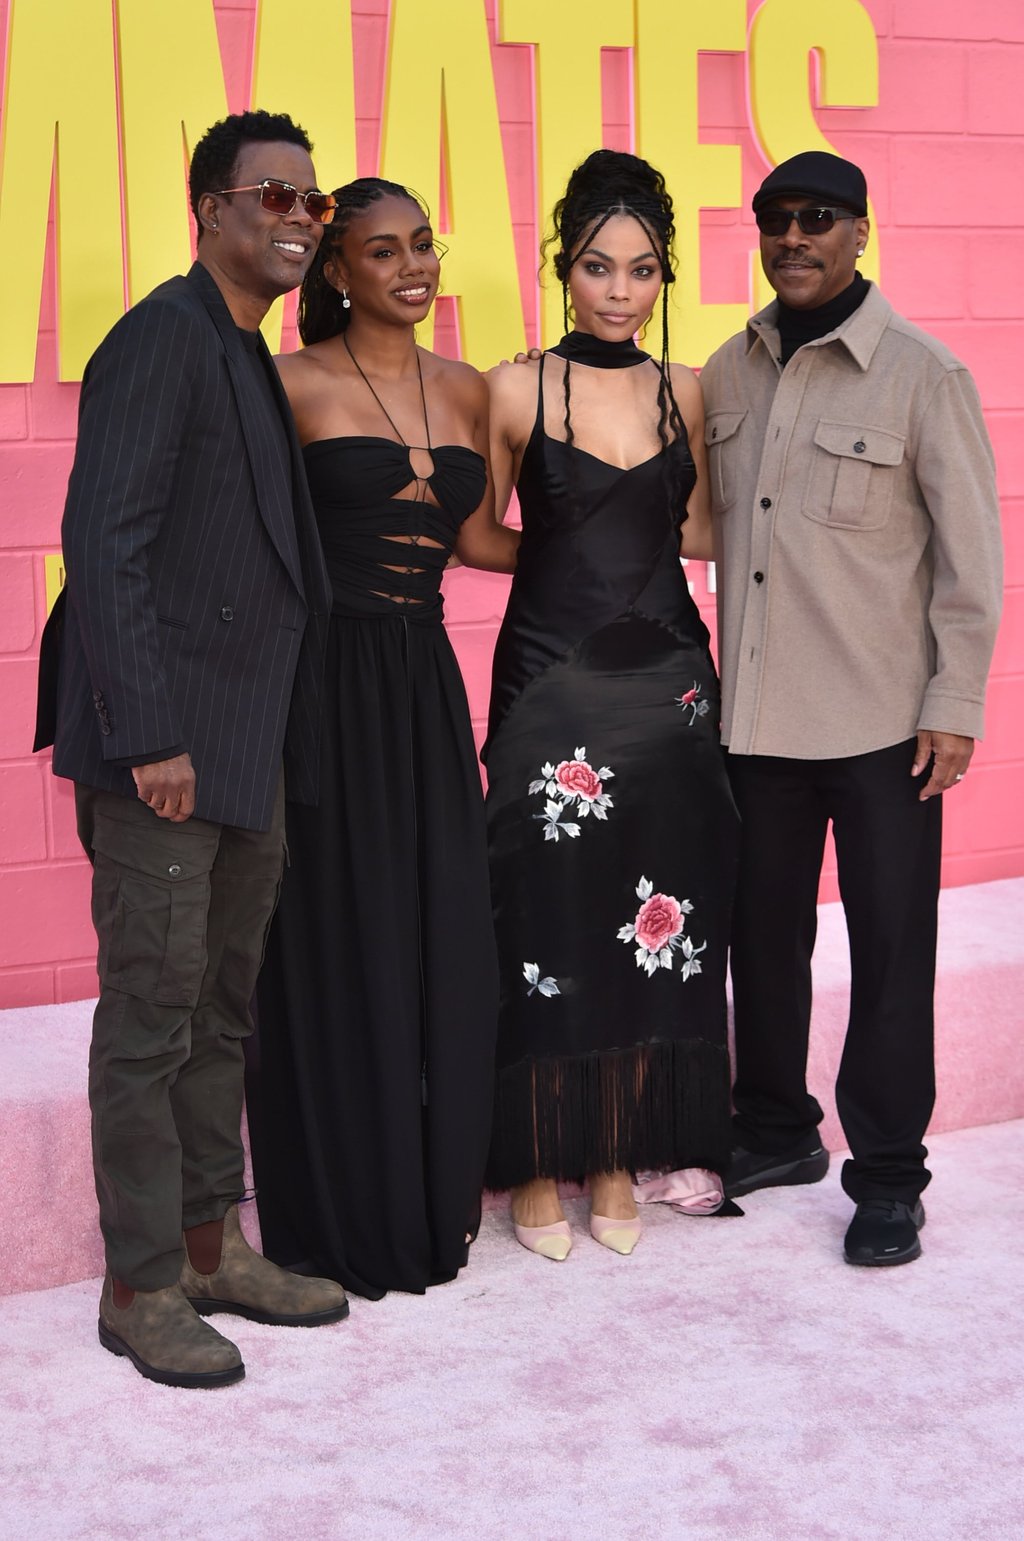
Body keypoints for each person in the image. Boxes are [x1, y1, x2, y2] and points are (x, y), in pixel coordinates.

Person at [33, 111, 350, 1389]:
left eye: (313, 203)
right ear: (208, 209)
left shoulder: (241, 353)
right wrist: (152, 733)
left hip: (244, 747)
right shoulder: (163, 336)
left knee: (220, 1010)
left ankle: (214, 1248)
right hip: (166, 752)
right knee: (154, 1019)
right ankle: (143, 1284)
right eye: (273, 194)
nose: (298, 218)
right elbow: (102, 543)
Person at [700, 151, 1003, 1266]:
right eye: (774, 220)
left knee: (888, 953)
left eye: (815, 219)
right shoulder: (726, 370)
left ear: (860, 233)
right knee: (759, 943)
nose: (792, 237)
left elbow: (972, 562)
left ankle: (887, 1175)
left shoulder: (923, 375)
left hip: (885, 728)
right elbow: (708, 526)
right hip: (757, 724)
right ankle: (776, 1129)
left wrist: (953, 703)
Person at [245, 178, 519, 1298]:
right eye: (380, 251)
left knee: (434, 934)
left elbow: (479, 544)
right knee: (330, 938)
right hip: (321, 688)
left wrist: (614, 543)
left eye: (421, 246)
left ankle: (419, 1197)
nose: (411, 266)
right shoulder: (287, 381)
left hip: (420, 686)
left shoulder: (466, 388)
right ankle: (334, 1212)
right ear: (335, 270)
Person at [483, 150, 739, 1261]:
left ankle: (612, 1153)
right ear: (564, 265)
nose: (619, 290)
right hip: (547, 689)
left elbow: (697, 531)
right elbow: (472, 531)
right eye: (597, 266)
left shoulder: (686, 390)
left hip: (671, 695)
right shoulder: (513, 385)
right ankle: (538, 1158)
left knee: (656, 929)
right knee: (541, 919)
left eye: (640, 269)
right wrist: (563, 564)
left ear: (663, 273)